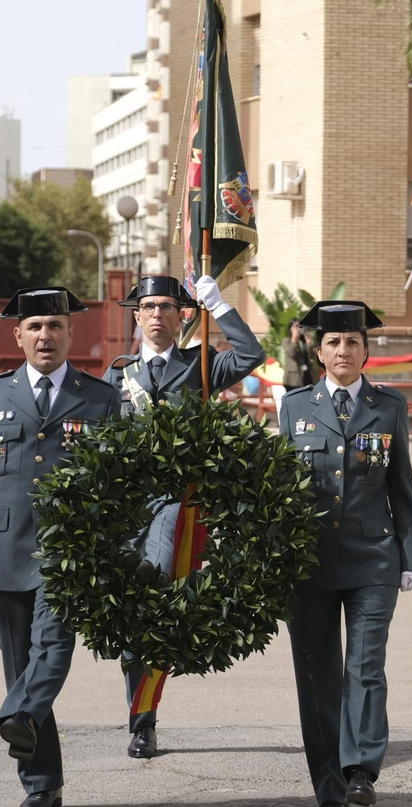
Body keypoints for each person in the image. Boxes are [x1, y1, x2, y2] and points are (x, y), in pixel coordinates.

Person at [0, 286, 117, 807]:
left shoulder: (101, 399)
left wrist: (112, 548)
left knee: (53, 647)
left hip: (71, 549)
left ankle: (16, 715)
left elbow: (118, 483)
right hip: (5, 548)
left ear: (72, 334)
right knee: (19, 662)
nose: (46, 336)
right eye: (36, 326)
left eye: (56, 326)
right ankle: (41, 781)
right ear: (18, 335)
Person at [103, 274, 264, 759]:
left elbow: (252, 356)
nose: (157, 315)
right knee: (134, 614)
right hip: (128, 506)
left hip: (178, 503)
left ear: (182, 316)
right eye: (148, 307)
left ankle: (144, 719)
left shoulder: (201, 366)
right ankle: (140, 718)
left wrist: (221, 306)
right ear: (136, 317)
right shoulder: (118, 374)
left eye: (167, 307)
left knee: (157, 591)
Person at [280, 300, 412, 807]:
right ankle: (329, 791)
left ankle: (361, 769)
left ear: (366, 352)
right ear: (319, 352)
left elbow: (403, 488)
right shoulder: (294, 407)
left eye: (354, 343)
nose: (344, 350)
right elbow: (282, 490)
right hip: (309, 564)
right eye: (334, 342)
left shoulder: (389, 407)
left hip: (373, 558)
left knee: (365, 666)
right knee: (317, 679)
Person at [283, 318, 314, 390]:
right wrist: (294, 339)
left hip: (307, 375)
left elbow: (313, 355)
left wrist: (309, 343)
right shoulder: (286, 341)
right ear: (290, 329)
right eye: (295, 326)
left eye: (300, 326)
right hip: (293, 379)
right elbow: (292, 353)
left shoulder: (304, 341)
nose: (298, 329)